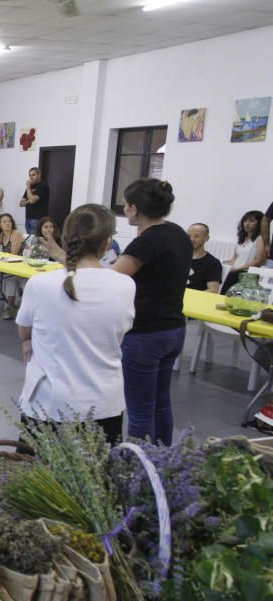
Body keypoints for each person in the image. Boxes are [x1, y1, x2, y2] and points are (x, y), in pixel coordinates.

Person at [16, 203, 136, 446]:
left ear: (66, 239)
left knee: (37, 478)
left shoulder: (40, 284)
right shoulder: (125, 285)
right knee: (97, 478)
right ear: (107, 243)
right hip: (102, 404)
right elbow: (119, 333)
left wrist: (28, 342)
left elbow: (24, 329)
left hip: (48, 402)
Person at [113, 178, 191, 446]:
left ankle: (139, 471)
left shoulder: (146, 243)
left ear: (134, 209)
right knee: (160, 403)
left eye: (125, 204)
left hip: (146, 334)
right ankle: (162, 461)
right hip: (174, 329)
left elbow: (111, 280)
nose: (124, 209)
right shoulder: (178, 233)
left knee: (140, 410)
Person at [0, 213, 25, 319]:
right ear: (0, 224)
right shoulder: (1, 235)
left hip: (23, 266)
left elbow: (13, 255)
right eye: (4, 222)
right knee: (8, 276)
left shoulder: (16, 234)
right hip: (11, 266)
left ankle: (9, 306)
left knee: (9, 277)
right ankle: (9, 306)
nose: (8, 223)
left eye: (9, 221)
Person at [220, 210, 266, 294]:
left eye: (251, 221)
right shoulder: (242, 239)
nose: (247, 224)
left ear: (259, 223)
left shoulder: (260, 239)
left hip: (247, 273)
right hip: (235, 271)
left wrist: (238, 269)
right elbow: (235, 258)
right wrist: (224, 264)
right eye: (245, 221)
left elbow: (259, 261)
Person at [187, 223, 223, 293]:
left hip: (195, 300)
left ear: (206, 238)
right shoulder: (178, 257)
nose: (191, 239)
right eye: (188, 236)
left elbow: (213, 290)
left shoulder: (212, 263)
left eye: (196, 236)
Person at [19, 167, 49, 234]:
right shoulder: (30, 187)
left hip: (37, 219)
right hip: (28, 218)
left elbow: (32, 201)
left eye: (33, 175)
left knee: (34, 241)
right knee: (29, 241)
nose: (31, 177)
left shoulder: (43, 186)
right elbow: (21, 204)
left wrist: (28, 188)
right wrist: (28, 201)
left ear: (39, 175)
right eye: (30, 175)